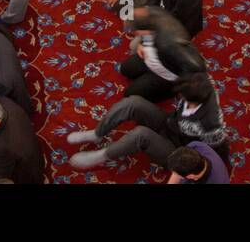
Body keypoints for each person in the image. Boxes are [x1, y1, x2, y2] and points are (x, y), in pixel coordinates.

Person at [66, 72, 227, 171]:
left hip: (180, 150)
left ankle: (101, 156)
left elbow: (211, 155)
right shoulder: (200, 82)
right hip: (172, 124)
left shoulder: (211, 123)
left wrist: (186, 165)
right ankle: (97, 133)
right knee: (133, 102)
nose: (180, 98)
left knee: (141, 134)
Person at [166, 143, 230, 184]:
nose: (173, 174)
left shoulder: (218, 181)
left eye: (175, 173)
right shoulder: (195, 145)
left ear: (191, 176)